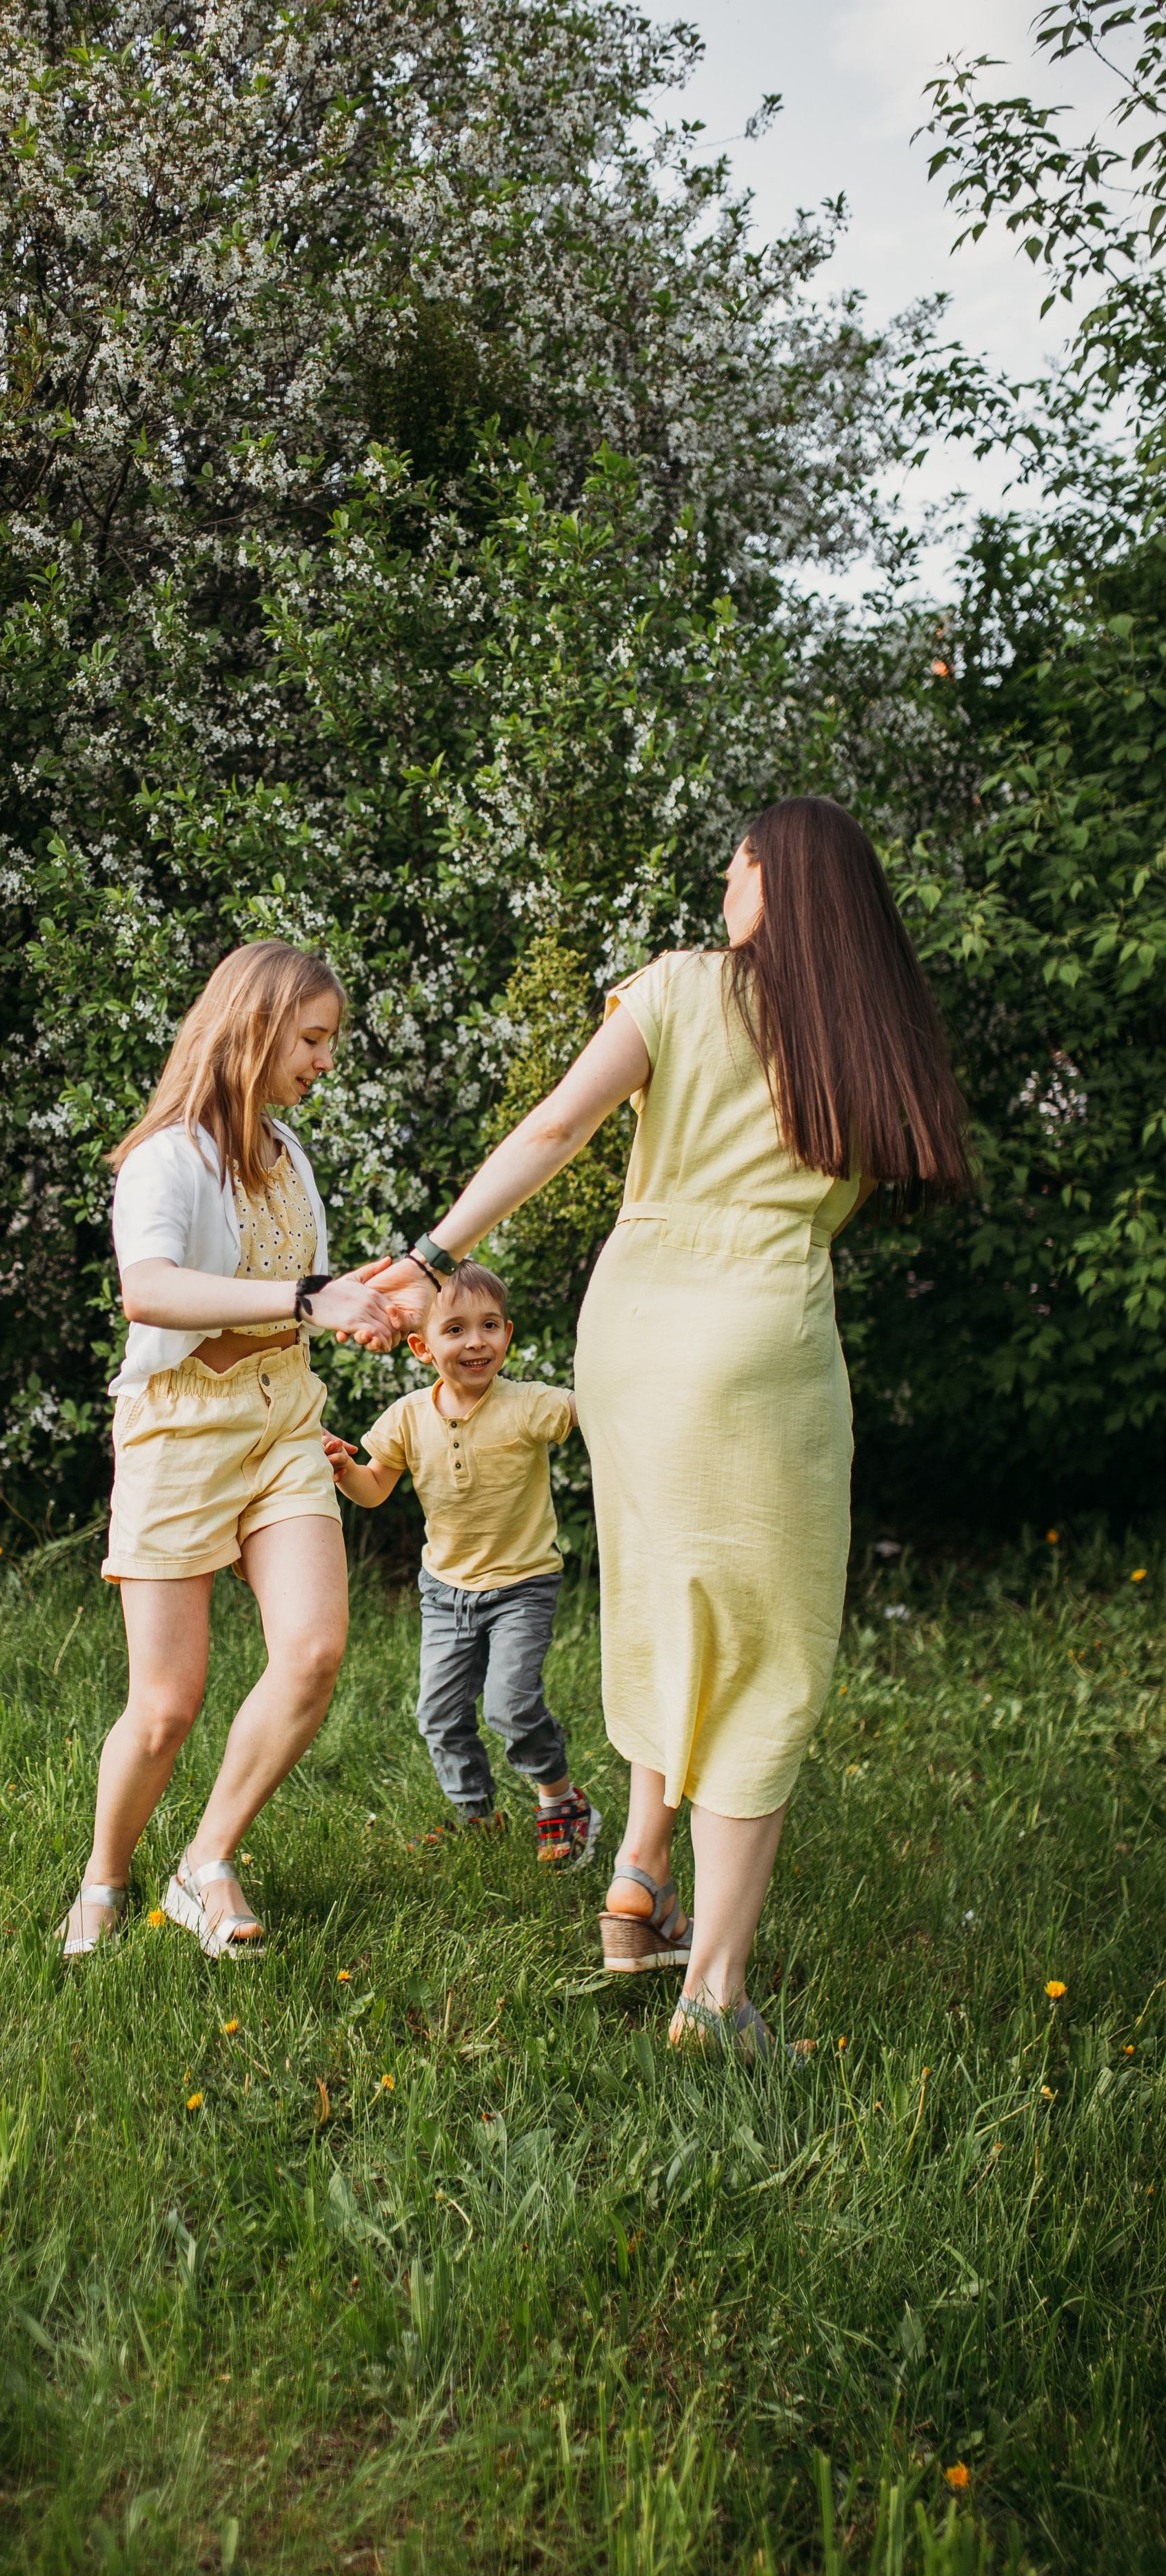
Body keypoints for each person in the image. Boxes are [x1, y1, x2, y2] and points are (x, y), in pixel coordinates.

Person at [364, 798, 974, 2052]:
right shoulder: (865, 1034)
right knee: (766, 1650)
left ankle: (641, 1873)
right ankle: (716, 1997)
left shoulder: (682, 988)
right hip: (760, 1336)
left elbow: (557, 1125)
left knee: (664, 1596)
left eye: (736, 868)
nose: (723, 889)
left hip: (634, 1331)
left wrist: (431, 1258)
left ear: (773, 879)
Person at [58, 940, 395, 1960]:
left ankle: (206, 1862)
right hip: (180, 1432)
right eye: (313, 1039)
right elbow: (149, 1290)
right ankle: (104, 1879)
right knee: (166, 1706)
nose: (326, 1061)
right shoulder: (167, 1157)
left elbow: (301, 1298)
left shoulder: (289, 1158)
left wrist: (372, 1300)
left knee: (314, 1652)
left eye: (329, 1041)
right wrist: (307, 1297)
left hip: (284, 1418)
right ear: (254, 1029)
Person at [323, 1258, 601, 1863]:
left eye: (490, 1326)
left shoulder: (529, 1404)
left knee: (511, 1706)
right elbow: (374, 1489)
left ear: (508, 1334)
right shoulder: (407, 1417)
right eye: (455, 1330)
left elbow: (600, 1409)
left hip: (523, 1585)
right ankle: (478, 1816)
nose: (476, 1341)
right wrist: (345, 1470)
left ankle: (560, 1800)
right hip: (446, 1592)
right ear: (422, 1347)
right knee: (440, 1716)